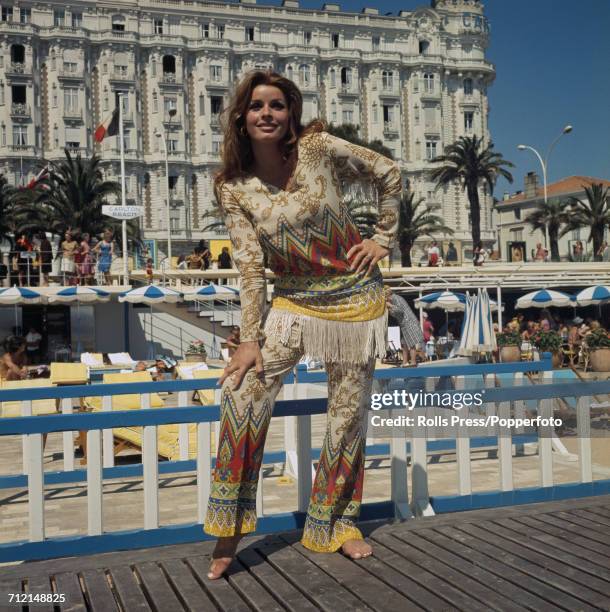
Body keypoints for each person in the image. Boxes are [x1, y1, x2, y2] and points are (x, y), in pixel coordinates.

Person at [204, 69, 401, 578]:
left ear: (290, 112)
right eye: (255, 106)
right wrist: (249, 340)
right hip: (292, 301)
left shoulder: (317, 149)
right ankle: (229, 528)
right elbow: (249, 266)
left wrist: (384, 236)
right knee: (245, 391)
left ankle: (336, 524)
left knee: (347, 412)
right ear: (241, 121)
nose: (266, 113)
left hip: (357, 301)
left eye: (276, 104)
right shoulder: (233, 187)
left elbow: (388, 171)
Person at [386, 291, 424, 366]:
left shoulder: (396, 298)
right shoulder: (395, 299)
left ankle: (413, 362)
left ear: (387, 296)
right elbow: (396, 313)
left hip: (409, 323)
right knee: (403, 344)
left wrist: (390, 306)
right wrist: (390, 309)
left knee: (411, 343)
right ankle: (404, 362)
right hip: (404, 324)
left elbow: (400, 311)